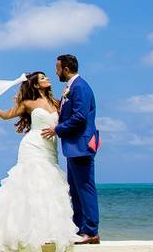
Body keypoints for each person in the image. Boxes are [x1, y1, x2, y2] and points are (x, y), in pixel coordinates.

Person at [0, 71, 80, 251]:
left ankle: (46, 233)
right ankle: (24, 234)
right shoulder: (28, 103)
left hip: (50, 149)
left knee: (49, 187)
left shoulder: (57, 103)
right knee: (31, 186)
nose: (47, 79)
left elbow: (67, 121)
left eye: (46, 77)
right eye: (42, 78)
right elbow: (5, 115)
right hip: (32, 147)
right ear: (35, 85)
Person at [41, 54, 100, 244]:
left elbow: (80, 117)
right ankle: (79, 229)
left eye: (57, 68)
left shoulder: (80, 87)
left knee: (85, 189)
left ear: (66, 69)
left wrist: (57, 129)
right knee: (75, 190)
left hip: (81, 145)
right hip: (74, 147)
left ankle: (91, 231)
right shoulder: (70, 88)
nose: (56, 72)